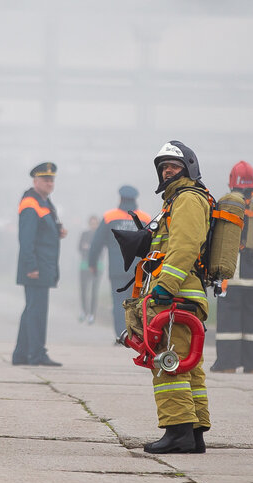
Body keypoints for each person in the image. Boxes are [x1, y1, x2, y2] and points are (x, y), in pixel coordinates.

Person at [122, 140, 211, 454]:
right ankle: (194, 432)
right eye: (163, 168)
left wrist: (165, 288)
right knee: (188, 366)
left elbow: (185, 246)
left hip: (175, 296)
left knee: (167, 362)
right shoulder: (178, 201)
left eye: (173, 166)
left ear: (188, 168)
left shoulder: (187, 199)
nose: (167, 172)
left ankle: (178, 433)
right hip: (184, 294)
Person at [211, 161, 253, 374]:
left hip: (233, 272)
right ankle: (252, 366)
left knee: (229, 320)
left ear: (232, 181)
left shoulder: (228, 203)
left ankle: (227, 364)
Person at [12, 162, 66, 367]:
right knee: (36, 312)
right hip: (36, 267)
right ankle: (36, 354)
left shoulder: (44, 201)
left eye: (52, 180)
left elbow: (45, 227)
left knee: (32, 311)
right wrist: (31, 266)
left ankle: (21, 355)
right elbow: (26, 239)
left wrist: (58, 229)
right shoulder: (31, 203)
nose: (49, 183)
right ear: (35, 181)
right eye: (45, 180)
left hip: (43, 266)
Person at [88, 186, 150, 338]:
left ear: (120, 198)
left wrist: (92, 264)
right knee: (137, 302)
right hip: (139, 270)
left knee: (118, 302)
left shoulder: (110, 217)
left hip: (117, 270)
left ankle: (122, 335)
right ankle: (136, 335)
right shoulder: (145, 218)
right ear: (135, 199)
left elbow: (96, 244)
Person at [78, 215, 101, 324]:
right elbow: (79, 247)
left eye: (95, 223)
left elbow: (101, 249)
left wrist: (89, 247)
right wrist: (85, 248)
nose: (93, 225)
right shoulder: (84, 234)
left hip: (97, 266)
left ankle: (92, 314)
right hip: (84, 264)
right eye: (91, 223)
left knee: (94, 291)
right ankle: (84, 311)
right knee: (83, 289)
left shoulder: (100, 234)